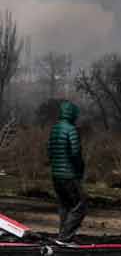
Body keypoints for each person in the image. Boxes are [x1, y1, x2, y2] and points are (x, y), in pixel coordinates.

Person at [47, 100, 86, 244]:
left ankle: (62, 236)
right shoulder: (71, 129)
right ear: (72, 114)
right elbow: (76, 153)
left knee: (65, 205)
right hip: (69, 174)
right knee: (80, 206)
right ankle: (65, 237)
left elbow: (50, 151)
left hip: (56, 174)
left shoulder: (55, 128)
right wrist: (80, 169)